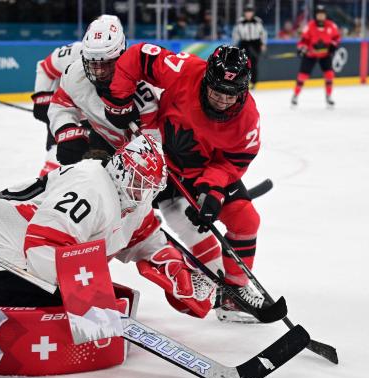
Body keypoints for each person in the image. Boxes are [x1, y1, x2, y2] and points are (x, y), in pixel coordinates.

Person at [100, 43, 268, 322]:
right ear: (206, 80)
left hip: (201, 171)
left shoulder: (248, 120)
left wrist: (211, 190)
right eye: (217, 92)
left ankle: (233, 295)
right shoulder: (185, 69)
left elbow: (232, 163)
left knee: (246, 220)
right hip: (154, 159)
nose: (222, 102)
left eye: (231, 95)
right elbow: (138, 56)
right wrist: (119, 101)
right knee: (116, 218)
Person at [0, 135, 214, 318]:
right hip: (6, 259)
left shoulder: (132, 195)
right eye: (141, 182)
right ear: (122, 170)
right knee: (92, 319)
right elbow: (43, 245)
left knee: (111, 308)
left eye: (151, 186)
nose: (146, 192)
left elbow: (144, 238)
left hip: (34, 254)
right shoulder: (91, 187)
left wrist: (171, 265)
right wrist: (88, 301)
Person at [48, 15, 160, 164]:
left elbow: (152, 156)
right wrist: (67, 132)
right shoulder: (74, 73)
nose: (100, 72)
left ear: (122, 57)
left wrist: (112, 165)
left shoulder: (144, 94)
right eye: (93, 64)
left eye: (106, 64)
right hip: (103, 137)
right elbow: (61, 105)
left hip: (141, 156)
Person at [31, 41, 84, 176]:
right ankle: (45, 191)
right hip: (64, 111)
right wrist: (42, 99)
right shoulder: (74, 51)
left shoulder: (121, 61)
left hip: (96, 119)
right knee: (56, 155)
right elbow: (44, 67)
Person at [291, 5, 341, 107]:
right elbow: (303, 41)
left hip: (325, 55)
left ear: (325, 15)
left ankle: (328, 96)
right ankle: (295, 95)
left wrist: (333, 46)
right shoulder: (309, 26)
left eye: (323, 14)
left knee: (329, 75)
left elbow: (336, 38)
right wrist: (302, 49)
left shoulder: (331, 26)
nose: (321, 16)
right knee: (302, 76)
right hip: (311, 55)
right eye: (319, 14)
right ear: (316, 15)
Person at [232, 4, 267, 89]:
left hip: (256, 43)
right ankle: (244, 81)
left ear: (253, 13)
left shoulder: (258, 21)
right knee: (244, 64)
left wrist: (263, 43)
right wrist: (235, 45)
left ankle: (253, 82)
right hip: (244, 43)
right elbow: (235, 34)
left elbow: (263, 33)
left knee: (254, 63)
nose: (248, 14)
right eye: (247, 12)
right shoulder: (240, 21)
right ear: (244, 13)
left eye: (250, 12)